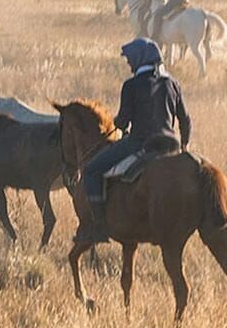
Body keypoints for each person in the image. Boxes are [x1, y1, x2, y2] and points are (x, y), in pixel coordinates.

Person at [75, 38, 190, 246]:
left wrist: (115, 126)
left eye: (130, 60)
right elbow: (185, 120)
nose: (128, 64)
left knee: (92, 170)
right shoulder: (173, 84)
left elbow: (123, 120)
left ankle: (99, 227)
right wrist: (184, 146)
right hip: (170, 146)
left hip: (140, 144)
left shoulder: (131, 85)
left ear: (139, 59)